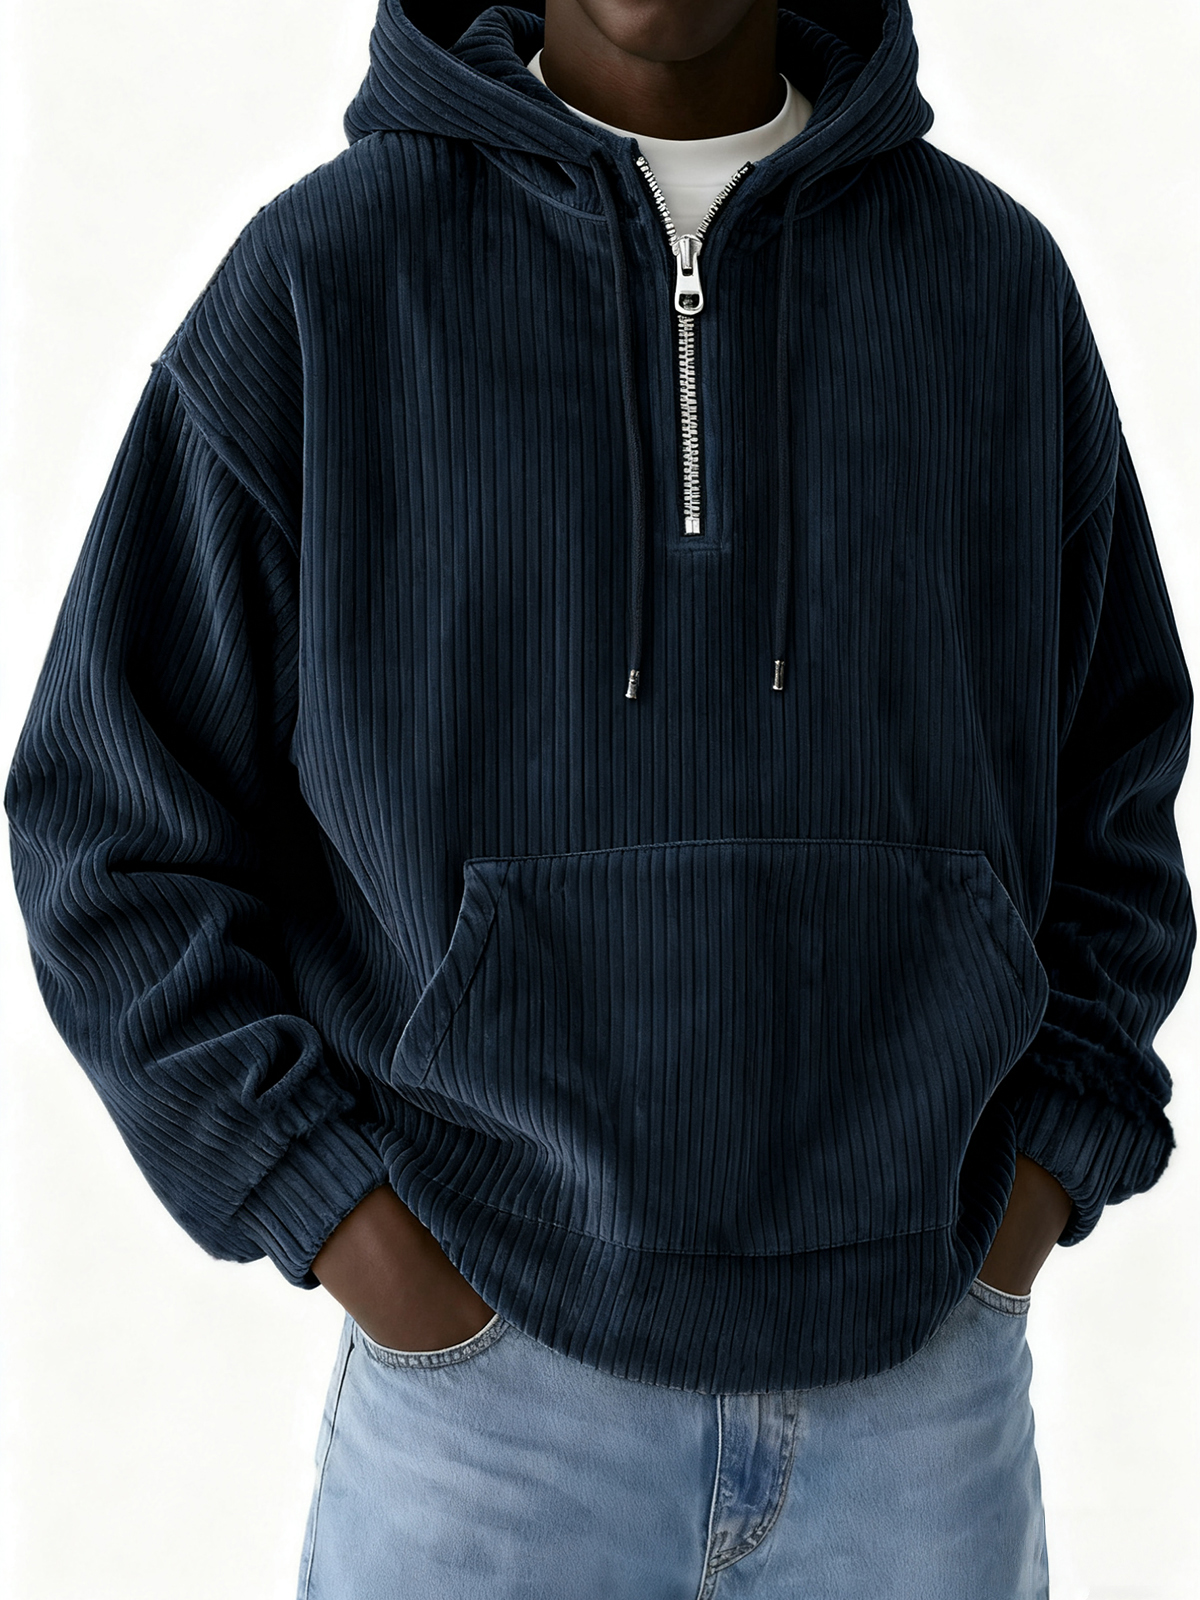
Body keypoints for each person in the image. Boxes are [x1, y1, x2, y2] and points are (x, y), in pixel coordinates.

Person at [5, 0, 1194, 1595]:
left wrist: (1035, 1187)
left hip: (921, 1404)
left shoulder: (993, 290)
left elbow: (1118, 783)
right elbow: (107, 818)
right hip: (487, 1415)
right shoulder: (324, 285)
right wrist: (335, 1214)